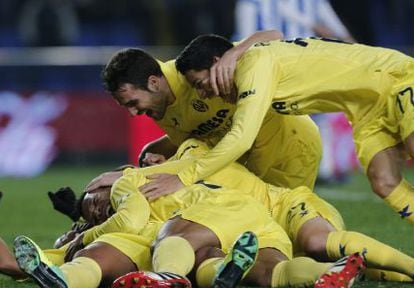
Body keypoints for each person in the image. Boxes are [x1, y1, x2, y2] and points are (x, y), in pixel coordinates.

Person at [88, 138, 414, 283]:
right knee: (298, 267)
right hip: (261, 229)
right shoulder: (168, 192)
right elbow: (133, 222)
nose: (147, 166)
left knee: (317, 242)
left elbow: (185, 158)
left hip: (286, 206)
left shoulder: (194, 151)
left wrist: (127, 174)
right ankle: (372, 273)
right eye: (141, 164)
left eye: (150, 160)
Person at [174, 34, 414, 225]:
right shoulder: (245, 57)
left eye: (201, 84)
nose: (204, 94)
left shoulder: (253, 64)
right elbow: (273, 34)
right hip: (367, 110)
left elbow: (242, 138)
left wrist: (184, 177)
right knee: (384, 181)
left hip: (395, 78)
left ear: (219, 64)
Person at [11, 167, 363, 288]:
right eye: (92, 212)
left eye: (97, 201)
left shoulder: (131, 185)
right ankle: (330, 271)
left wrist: (83, 234)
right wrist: (60, 250)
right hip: (242, 228)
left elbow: (129, 220)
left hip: (206, 220)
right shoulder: (158, 186)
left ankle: (166, 276)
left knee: (170, 238)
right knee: (260, 269)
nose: (100, 209)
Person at [101, 34, 323, 200]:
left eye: (133, 103)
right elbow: (199, 137)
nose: (133, 113)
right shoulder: (158, 106)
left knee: (288, 229)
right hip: (248, 159)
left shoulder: (195, 70)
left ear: (153, 82)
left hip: (289, 146)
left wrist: (236, 52)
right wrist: (160, 154)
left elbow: (274, 36)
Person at [234, 0, 356, 183]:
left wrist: (346, 38)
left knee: (318, 113)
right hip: (268, 64)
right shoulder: (252, 3)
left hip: (305, 61)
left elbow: (327, 15)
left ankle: (324, 170)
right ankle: (256, 168)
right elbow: (245, 34)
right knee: (266, 116)